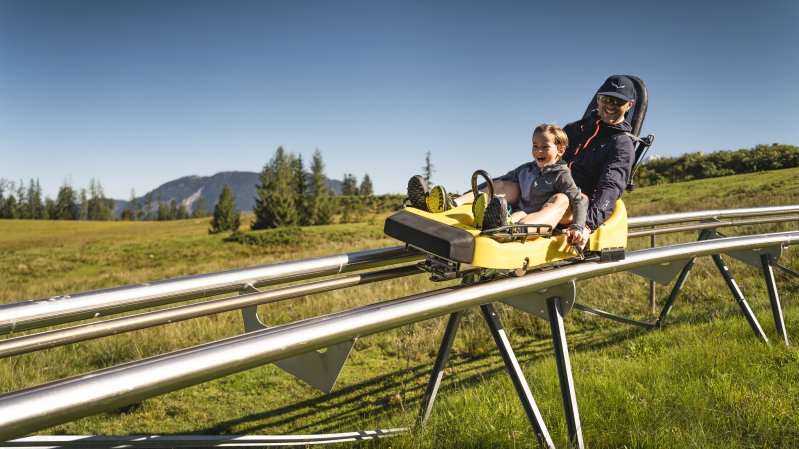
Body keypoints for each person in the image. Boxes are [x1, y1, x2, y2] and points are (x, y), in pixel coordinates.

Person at [407, 123, 589, 248]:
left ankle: (508, 229)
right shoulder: (527, 169)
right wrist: (464, 195)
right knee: (501, 184)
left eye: (544, 146)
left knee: (558, 199)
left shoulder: (562, 175)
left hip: (539, 219)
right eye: (535, 146)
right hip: (520, 212)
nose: (538, 151)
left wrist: (578, 227)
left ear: (560, 150)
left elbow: (578, 201)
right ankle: (452, 204)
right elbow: (494, 184)